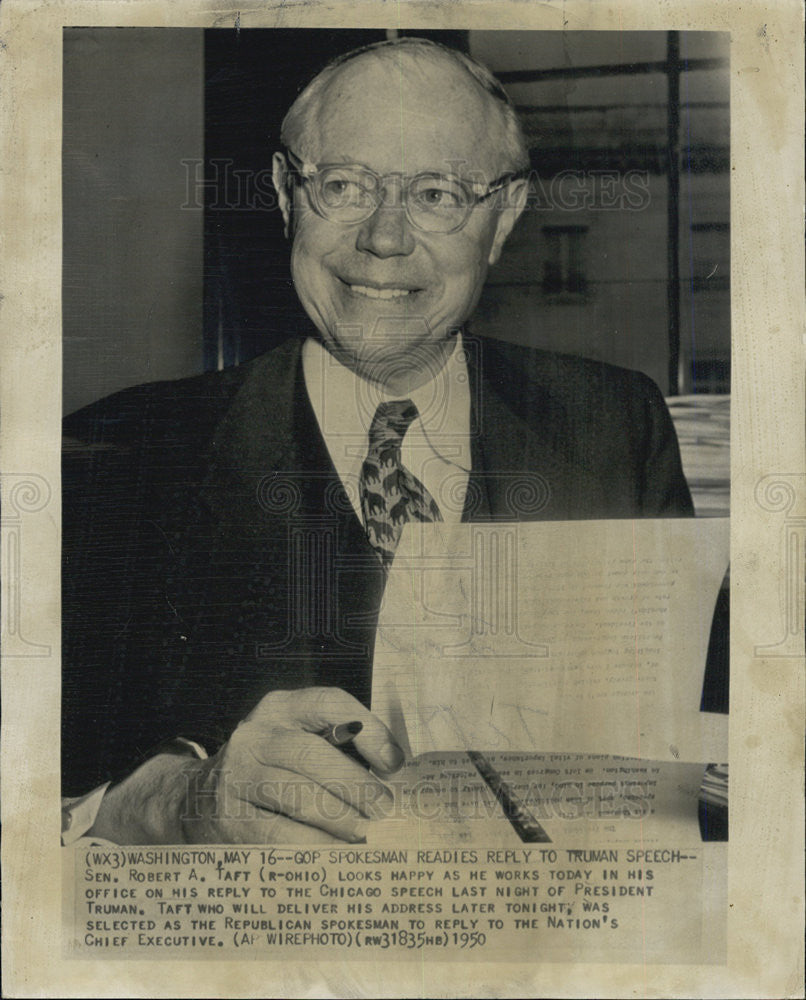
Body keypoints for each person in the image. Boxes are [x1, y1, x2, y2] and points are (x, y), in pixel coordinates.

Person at [61, 38, 693, 845]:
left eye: (437, 193)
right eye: (345, 185)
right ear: (287, 196)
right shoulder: (114, 457)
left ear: (502, 219)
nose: (385, 238)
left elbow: (690, 750)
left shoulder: (616, 426)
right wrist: (170, 807)